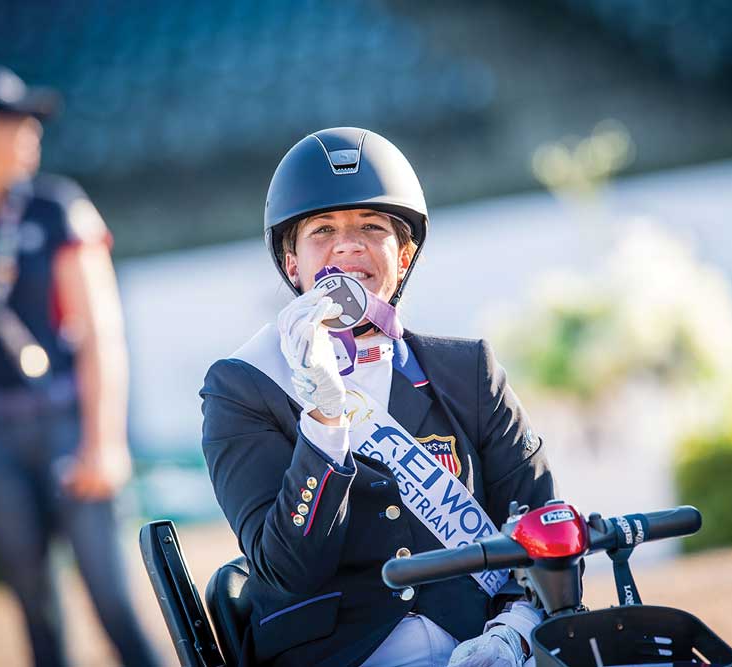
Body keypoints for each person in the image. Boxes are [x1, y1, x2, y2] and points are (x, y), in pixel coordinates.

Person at [201, 127, 555, 667]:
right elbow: (287, 569)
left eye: (371, 226)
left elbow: (546, 526)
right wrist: (324, 418)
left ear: (405, 253)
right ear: (292, 263)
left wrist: (514, 633)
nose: (348, 245)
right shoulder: (243, 386)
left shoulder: (470, 372)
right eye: (323, 230)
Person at [0, 66, 159, 667]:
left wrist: (104, 442)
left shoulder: (56, 208)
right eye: (13, 120)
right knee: (36, 614)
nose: (31, 132)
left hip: (68, 420)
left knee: (115, 605)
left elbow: (101, 334)